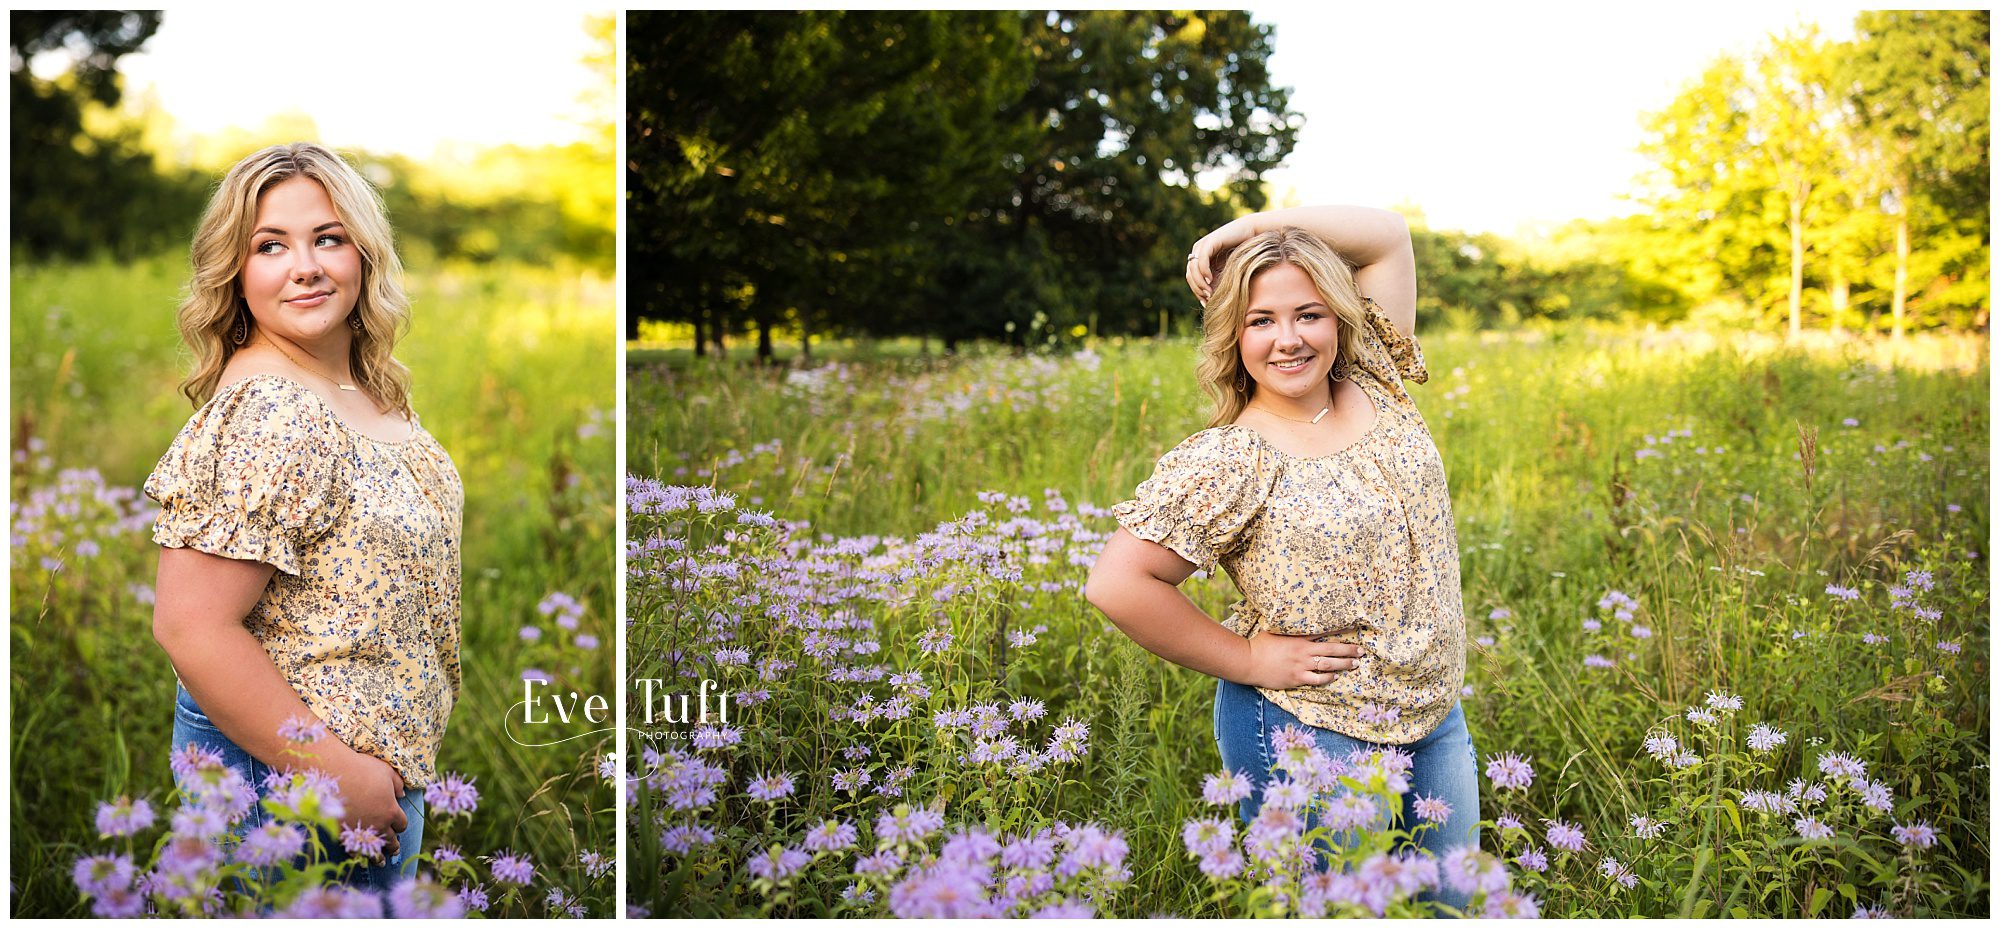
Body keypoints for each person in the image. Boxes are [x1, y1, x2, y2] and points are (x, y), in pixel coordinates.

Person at [1084, 206, 1479, 910]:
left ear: (1339, 319)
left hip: (1434, 716)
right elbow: (1117, 582)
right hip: (1313, 728)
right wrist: (1251, 661)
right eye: (1261, 319)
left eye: (1310, 313)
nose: (1289, 339)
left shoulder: (1374, 377)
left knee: (1448, 909)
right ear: (1233, 337)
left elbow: (1388, 236)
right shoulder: (1233, 456)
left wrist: (1244, 228)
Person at [145, 142, 462, 890]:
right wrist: (338, 772)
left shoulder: (359, 385)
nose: (306, 266)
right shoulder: (272, 408)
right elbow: (191, 625)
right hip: (291, 785)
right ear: (236, 271)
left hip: (364, 778)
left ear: (363, 249)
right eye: (270, 246)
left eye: (328, 236)